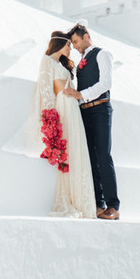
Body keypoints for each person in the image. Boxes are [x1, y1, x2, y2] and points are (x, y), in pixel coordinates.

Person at [63, 22, 120, 220]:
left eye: (77, 41)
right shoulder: (80, 63)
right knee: (91, 159)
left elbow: (106, 83)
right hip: (85, 112)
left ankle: (113, 206)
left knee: (104, 156)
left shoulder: (102, 54)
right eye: (73, 43)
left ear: (86, 37)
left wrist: (80, 94)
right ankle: (99, 204)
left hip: (101, 110)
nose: (75, 46)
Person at [36, 32, 96, 218]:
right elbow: (45, 89)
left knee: (76, 147)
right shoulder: (47, 61)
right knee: (68, 148)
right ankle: (69, 197)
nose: (71, 49)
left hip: (72, 107)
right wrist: (50, 115)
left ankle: (81, 198)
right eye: (69, 45)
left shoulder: (62, 65)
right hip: (62, 106)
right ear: (60, 44)